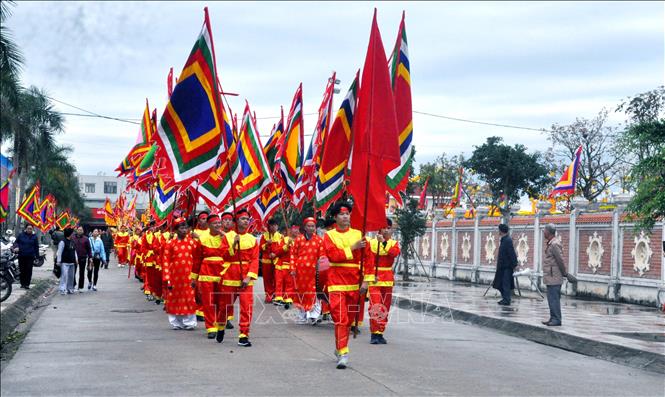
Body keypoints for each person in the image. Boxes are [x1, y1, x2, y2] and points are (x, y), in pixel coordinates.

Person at [322, 202, 375, 369]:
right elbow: (333, 256)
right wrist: (352, 247)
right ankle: (344, 352)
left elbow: (368, 260)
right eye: (342, 214)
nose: (345, 217)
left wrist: (366, 281)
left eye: (347, 214)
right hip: (336, 282)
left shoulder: (359, 234)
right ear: (335, 217)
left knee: (349, 321)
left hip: (354, 283)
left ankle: (339, 346)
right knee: (340, 319)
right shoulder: (329, 236)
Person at [217, 208, 259, 347]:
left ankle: (243, 335)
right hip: (230, 276)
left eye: (247, 219)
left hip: (246, 278)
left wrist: (249, 277)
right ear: (236, 221)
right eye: (242, 219)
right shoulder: (228, 236)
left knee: (246, 307)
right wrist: (234, 244)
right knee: (224, 306)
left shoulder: (252, 239)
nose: (245, 221)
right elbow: (224, 256)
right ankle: (221, 326)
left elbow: (254, 260)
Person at [191, 213, 227, 340]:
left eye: (219, 223)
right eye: (215, 223)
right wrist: (194, 278)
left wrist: (226, 238)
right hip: (206, 272)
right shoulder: (202, 238)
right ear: (209, 225)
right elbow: (197, 259)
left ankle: (219, 323)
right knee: (208, 301)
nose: (218, 225)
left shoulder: (226, 237)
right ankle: (210, 327)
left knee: (221, 301)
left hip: (222, 272)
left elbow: (231, 254)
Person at [367, 218, 400, 345]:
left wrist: (384, 243)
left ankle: (380, 332)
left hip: (387, 278)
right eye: (384, 228)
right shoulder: (371, 243)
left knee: (385, 307)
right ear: (379, 229)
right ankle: (374, 333)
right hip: (374, 278)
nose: (386, 230)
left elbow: (393, 254)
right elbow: (368, 261)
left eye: (388, 228)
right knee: (376, 305)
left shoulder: (394, 243)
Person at [162, 217, 198, 330]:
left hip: (189, 276)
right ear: (176, 230)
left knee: (189, 298)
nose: (184, 230)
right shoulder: (170, 244)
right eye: (181, 228)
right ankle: (176, 322)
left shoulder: (192, 242)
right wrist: (167, 277)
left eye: (185, 227)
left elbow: (198, 258)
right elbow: (165, 261)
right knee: (174, 298)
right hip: (174, 276)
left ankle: (190, 322)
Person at [290, 217, 324, 324]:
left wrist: (322, 270)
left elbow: (322, 256)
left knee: (313, 292)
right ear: (305, 227)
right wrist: (292, 268)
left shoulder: (319, 240)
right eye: (308, 226)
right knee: (300, 293)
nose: (311, 228)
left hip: (314, 272)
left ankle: (313, 315)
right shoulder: (299, 239)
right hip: (300, 272)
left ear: (315, 227)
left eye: (312, 226)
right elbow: (293, 254)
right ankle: (302, 314)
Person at [542, 223, 568, 326]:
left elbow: (560, 260)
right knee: (551, 298)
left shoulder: (555, 244)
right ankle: (553, 318)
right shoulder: (551, 243)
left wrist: (564, 273)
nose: (543, 232)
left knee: (554, 299)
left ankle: (556, 319)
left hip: (554, 276)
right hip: (551, 276)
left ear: (548, 232)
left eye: (544, 230)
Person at [492, 224, 518, 306]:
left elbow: (511, 253)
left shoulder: (507, 240)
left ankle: (507, 299)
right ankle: (505, 298)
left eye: (499, 230)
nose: (498, 231)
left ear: (501, 231)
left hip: (506, 267)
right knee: (499, 283)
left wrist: (515, 264)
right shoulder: (504, 240)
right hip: (502, 266)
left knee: (505, 283)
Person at [259, 218, 280, 304]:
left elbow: (282, 249)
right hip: (266, 261)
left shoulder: (281, 236)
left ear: (277, 226)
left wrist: (276, 254)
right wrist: (267, 244)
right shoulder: (264, 236)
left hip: (277, 261)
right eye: (271, 225)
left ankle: (276, 293)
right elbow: (260, 248)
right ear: (268, 226)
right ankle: (268, 294)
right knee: (267, 279)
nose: (273, 227)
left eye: (275, 225)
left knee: (277, 278)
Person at [13, 224, 39, 289]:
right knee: (22, 270)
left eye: (31, 229)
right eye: (28, 228)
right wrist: (16, 247)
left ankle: (27, 284)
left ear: (32, 229)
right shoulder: (21, 235)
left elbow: (36, 247)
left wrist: (37, 257)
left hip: (30, 256)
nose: (29, 230)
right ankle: (22, 283)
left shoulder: (34, 237)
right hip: (21, 255)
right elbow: (16, 243)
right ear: (25, 229)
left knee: (29, 270)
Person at [56, 228, 78, 295]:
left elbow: (74, 251)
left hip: (72, 261)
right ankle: (62, 289)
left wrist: (76, 258)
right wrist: (58, 261)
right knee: (64, 276)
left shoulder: (72, 241)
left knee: (71, 276)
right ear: (69, 234)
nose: (73, 234)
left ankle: (70, 288)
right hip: (64, 262)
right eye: (72, 233)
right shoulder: (62, 242)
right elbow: (59, 252)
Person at [72, 226, 92, 293]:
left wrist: (90, 257)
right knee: (73, 272)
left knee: (82, 272)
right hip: (74, 258)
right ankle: (73, 285)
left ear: (83, 231)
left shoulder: (86, 239)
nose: (80, 231)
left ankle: (80, 287)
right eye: (79, 230)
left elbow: (89, 249)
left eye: (81, 230)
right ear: (76, 230)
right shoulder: (73, 238)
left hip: (83, 257)